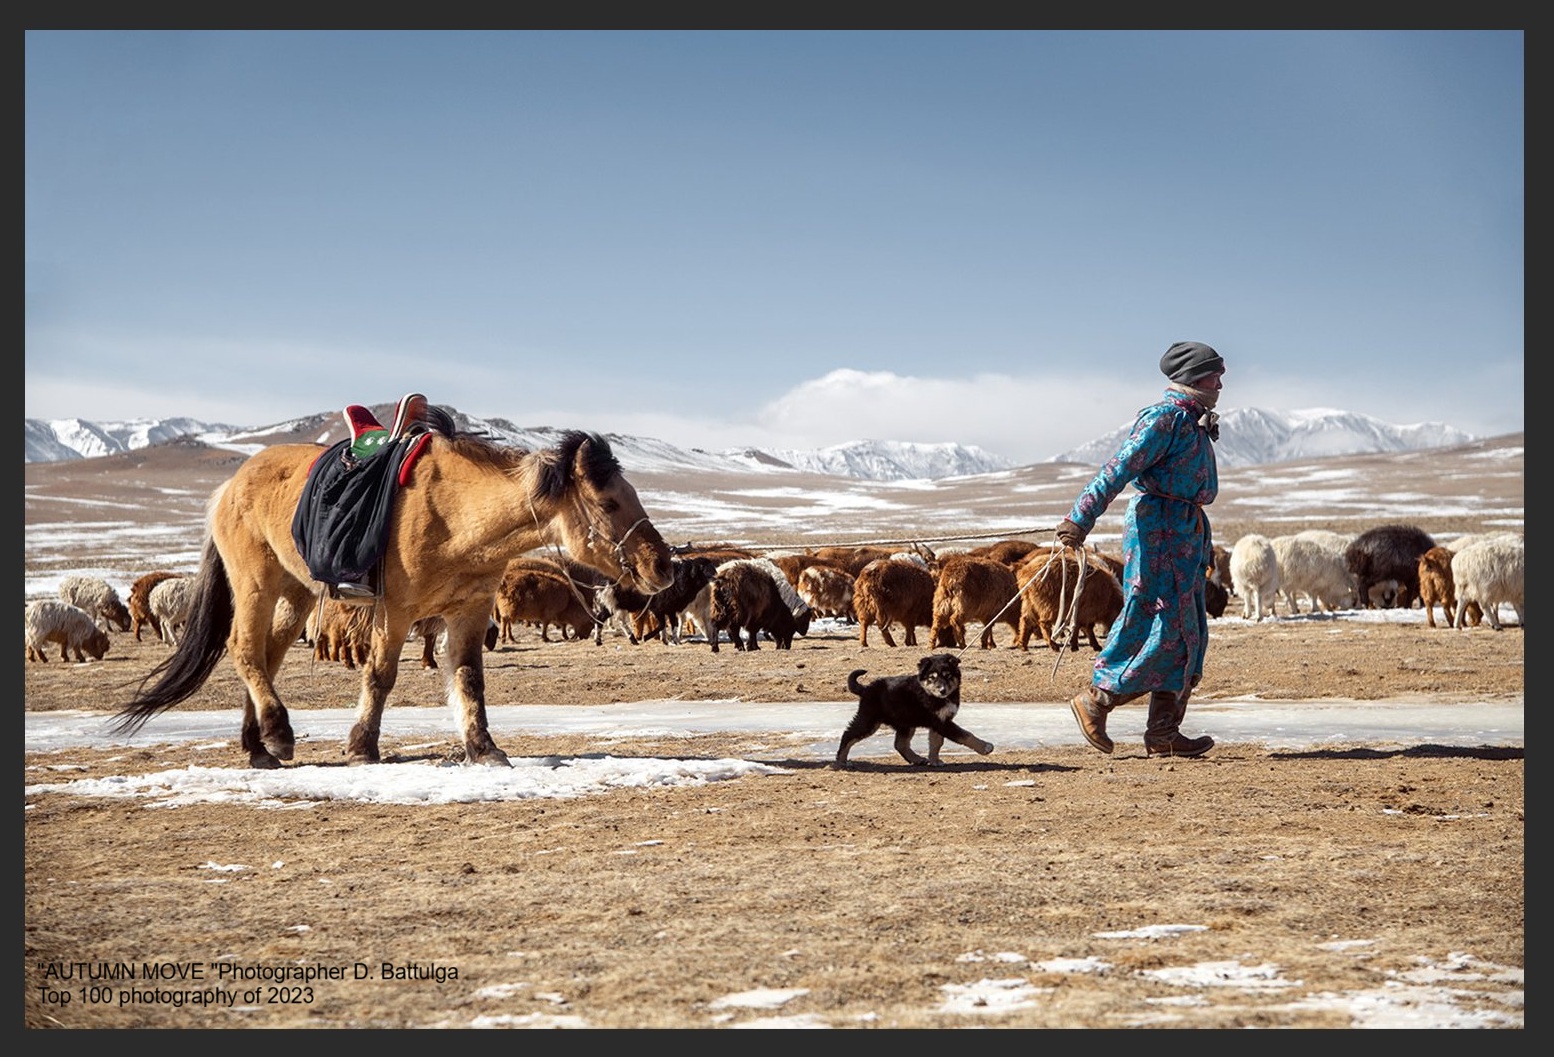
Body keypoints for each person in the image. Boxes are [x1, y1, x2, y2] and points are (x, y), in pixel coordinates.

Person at [1056, 341, 1224, 758]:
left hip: (1183, 532)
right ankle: (1096, 701)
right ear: (1192, 377)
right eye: (1214, 374)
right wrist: (1081, 518)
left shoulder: (1191, 420)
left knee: (1188, 630)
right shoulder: (1164, 419)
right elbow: (1118, 467)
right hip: (1159, 530)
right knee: (1159, 624)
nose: (1221, 383)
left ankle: (1164, 732)